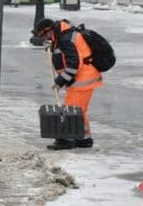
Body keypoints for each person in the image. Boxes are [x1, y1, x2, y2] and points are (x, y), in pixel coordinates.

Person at [34, 17, 102, 150]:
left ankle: (65, 139)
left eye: (44, 36)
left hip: (83, 78)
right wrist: (51, 46)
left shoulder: (65, 38)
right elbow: (62, 55)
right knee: (78, 111)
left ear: (48, 30)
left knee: (70, 110)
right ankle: (83, 139)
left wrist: (60, 81)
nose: (44, 38)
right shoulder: (61, 35)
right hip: (80, 77)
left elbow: (73, 64)